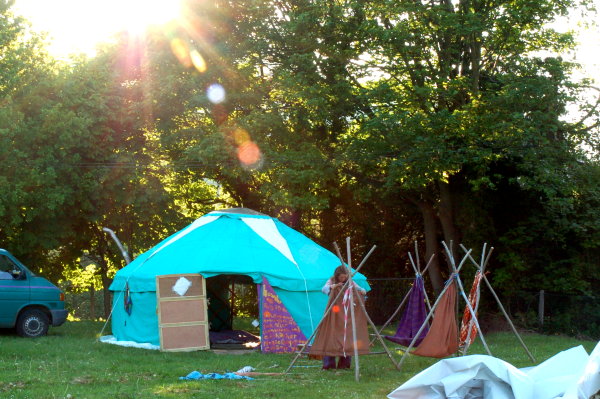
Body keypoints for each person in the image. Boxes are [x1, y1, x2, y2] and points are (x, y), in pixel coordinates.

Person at [311, 265, 368, 370]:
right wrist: (332, 287)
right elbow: (324, 289)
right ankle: (328, 365)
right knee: (331, 337)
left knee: (346, 337)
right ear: (337, 276)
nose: (343, 279)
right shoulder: (331, 281)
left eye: (344, 277)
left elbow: (358, 288)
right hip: (335, 312)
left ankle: (344, 365)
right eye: (341, 277)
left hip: (346, 314)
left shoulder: (350, 281)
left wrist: (362, 290)